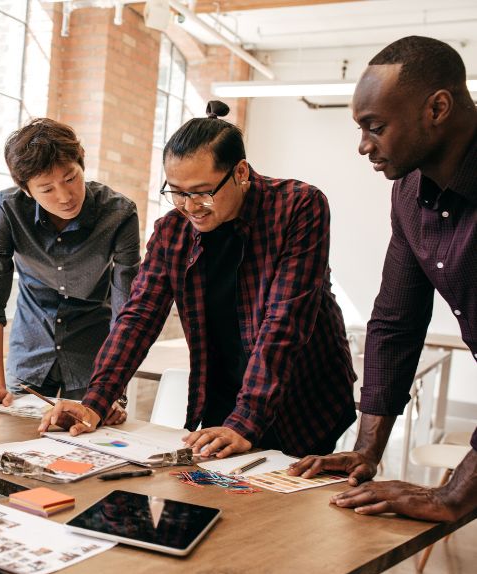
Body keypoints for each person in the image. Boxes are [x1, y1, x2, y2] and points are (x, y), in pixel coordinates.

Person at [41, 101, 356, 460]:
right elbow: (138, 316)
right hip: (225, 398)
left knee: (283, 506)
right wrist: (95, 401)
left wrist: (247, 420)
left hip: (301, 396)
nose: (190, 207)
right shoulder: (172, 231)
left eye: (203, 192)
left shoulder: (298, 207)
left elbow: (285, 322)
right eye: (177, 192)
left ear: (240, 173)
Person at [288, 36, 477, 523]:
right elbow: (395, 321)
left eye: (376, 126)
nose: (363, 145)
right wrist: (366, 450)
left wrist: (454, 493)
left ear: (437, 108)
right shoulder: (410, 194)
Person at [0, 118, 139, 417]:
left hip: (94, 354)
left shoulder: (119, 213)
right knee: (15, 439)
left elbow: (127, 310)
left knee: (86, 446)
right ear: (27, 190)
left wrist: (112, 391)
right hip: (31, 345)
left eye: (71, 178)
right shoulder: (9, 208)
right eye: (46, 188)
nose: (64, 196)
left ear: (82, 165)